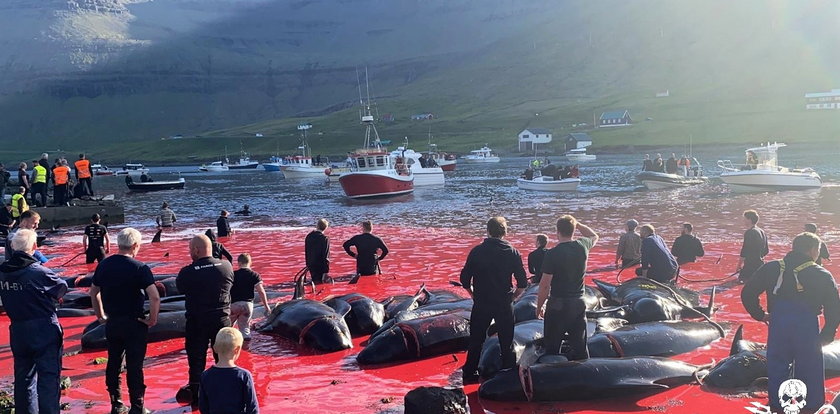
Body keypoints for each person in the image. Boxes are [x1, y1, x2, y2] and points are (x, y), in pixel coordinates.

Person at [741, 232, 840, 413]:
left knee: (777, 365)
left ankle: (779, 406)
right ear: (813, 250)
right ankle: (810, 408)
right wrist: (827, 334)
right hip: (807, 326)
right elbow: (834, 309)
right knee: (809, 368)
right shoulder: (821, 274)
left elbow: (747, 293)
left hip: (779, 324)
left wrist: (760, 315)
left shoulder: (771, 268)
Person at [88, 228, 159, 414]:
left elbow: (93, 292)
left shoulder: (104, 265)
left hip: (113, 322)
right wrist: (152, 319)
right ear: (135, 246)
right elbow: (154, 296)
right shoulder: (140, 267)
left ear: (119, 244)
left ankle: (117, 403)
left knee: (113, 363)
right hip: (135, 322)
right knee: (135, 366)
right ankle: (137, 406)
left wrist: (100, 316)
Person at [0, 229, 68, 414]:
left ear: (12, 248)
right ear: (34, 247)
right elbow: (62, 287)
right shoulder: (38, 271)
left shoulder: (3, 272)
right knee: (48, 377)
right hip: (43, 327)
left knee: (23, 378)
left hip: (18, 329)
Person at [459, 217, 527, 383]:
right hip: (504, 302)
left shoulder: (477, 251)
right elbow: (523, 282)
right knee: (507, 341)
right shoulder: (512, 251)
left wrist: (472, 294)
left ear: (488, 231)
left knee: (476, 339)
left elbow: (464, 279)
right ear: (505, 232)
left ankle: (469, 373)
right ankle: (508, 374)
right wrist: (514, 296)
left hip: (482, 302)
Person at [176, 235, 234, 405]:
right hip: (221, 319)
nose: (189, 252)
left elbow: (181, 288)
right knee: (224, 358)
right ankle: (226, 394)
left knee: (196, 361)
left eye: (189, 249)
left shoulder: (188, 271)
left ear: (195, 250)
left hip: (197, 321)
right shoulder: (226, 266)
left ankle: (197, 396)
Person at [198, 328, 259, 414]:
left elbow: (203, 406)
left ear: (214, 348)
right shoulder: (244, 375)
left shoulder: (205, 375)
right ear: (237, 350)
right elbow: (252, 407)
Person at [229, 254, 271, 340]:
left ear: (239, 263)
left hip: (233, 305)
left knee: (228, 329)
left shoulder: (233, 275)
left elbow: (226, 290)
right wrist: (266, 306)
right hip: (247, 305)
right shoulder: (254, 275)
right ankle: (246, 350)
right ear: (250, 262)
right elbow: (261, 291)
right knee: (245, 330)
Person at [737, 210, 769, 283]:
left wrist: (738, 266)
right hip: (760, 265)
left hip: (750, 266)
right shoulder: (762, 231)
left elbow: (744, 251)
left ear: (749, 220)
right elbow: (766, 251)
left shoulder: (750, 232)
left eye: (744, 219)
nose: (743, 221)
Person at [304, 219, 330, 284]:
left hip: (311, 264)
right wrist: (326, 271)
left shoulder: (309, 236)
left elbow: (307, 251)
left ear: (317, 226)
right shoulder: (325, 238)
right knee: (320, 284)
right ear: (326, 228)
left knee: (314, 281)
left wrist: (307, 264)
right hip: (320, 266)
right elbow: (326, 255)